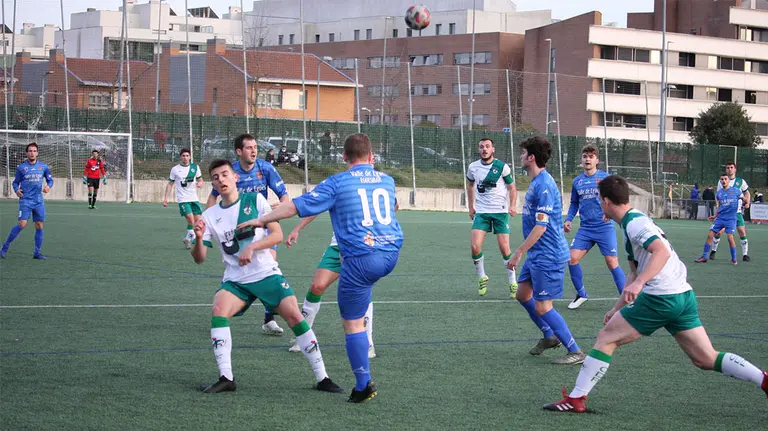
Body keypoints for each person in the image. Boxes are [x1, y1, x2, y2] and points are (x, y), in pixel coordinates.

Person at [543, 175, 768, 413]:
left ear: (606, 201)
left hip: (661, 297)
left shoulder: (635, 224)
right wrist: (616, 308)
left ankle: (576, 399)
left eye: (600, 200)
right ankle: (763, 379)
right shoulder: (632, 223)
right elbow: (633, 272)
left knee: (605, 338)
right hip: (682, 296)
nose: (599, 204)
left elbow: (661, 252)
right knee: (705, 358)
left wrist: (640, 283)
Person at [236, 133, 403, 403]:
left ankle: (363, 384)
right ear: (371, 157)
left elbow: (294, 207)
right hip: (391, 252)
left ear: (344, 157)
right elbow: (392, 205)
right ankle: (365, 342)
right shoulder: (387, 179)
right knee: (355, 291)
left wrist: (261, 220)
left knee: (351, 323)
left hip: (361, 258)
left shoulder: (337, 182)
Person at [191, 159, 343, 394]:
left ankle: (323, 377)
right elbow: (199, 258)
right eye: (216, 177)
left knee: (294, 316)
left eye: (224, 175)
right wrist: (200, 238)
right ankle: (226, 377)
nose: (221, 180)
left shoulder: (255, 200)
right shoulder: (209, 215)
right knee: (219, 309)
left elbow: (277, 235)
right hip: (236, 280)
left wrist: (252, 247)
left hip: (265, 273)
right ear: (212, 183)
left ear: (235, 178)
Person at [508, 136, 584, 365]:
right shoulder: (536, 181)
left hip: (548, 254)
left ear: (531, 157)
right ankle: (549, 336)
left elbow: (541, 227)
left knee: (543, 306)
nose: (520, 157)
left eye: (523, 154)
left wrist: (518, 252)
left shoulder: (544, 185)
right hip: (538, 253)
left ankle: (576, 351)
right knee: (522, 295)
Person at [206, 133, 291, 336]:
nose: (253, 151)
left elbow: (284, 196)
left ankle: (268, 319)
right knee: (237, 268)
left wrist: (278, 209)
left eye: (255, 147)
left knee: (268, 264)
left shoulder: (266, 168)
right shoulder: (229, 172)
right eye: (249, 147)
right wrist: (207, 223)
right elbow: (212, 199)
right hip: (235, 231)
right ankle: (225, 304)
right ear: (239, 151)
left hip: (262, 227)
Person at [563, 144, 625, 310]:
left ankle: (627, 299)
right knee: (571, 258)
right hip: (585, 229)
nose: (587, 159)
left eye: (591, 156)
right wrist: (568, 219)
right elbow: (574, 202)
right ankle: (581, 294)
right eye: (585, 156)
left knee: (612, 262)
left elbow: (615, 198)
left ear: (597, 160)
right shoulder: (577, 181)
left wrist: (610, 213)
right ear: (581, 160)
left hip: (604, 227)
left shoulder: (605, 179)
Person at [466, 138, 518, 297]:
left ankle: (512, 282)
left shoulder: (502, 167)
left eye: (487, 146)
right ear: (478, 149)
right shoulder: (473, 167)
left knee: (504, 249)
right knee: (475, 247)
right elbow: (470, 185)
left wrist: (513, 205)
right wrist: (470, 206)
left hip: (500, 213)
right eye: (481, 147)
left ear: (493, 149)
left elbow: (512, 188)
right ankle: (482, 277)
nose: (484, 149)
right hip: (482, 212)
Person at [1, 143, 53, 260]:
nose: (32, 153)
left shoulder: (43, 167)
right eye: (30, 151)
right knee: (22, 224)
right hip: (25, 200)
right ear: (26, 153)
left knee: (39, 225)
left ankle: (37, 252)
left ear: (37, 153)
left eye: (34, 151)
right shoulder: (21, 168)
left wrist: (48, 187)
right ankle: (5, 246)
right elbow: (15, 182)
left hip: (38, 201)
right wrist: (16, 190)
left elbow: (50, 180)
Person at [695, 173, 742, 265]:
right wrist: (715, 216)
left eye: (725, 179)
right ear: (720, 181)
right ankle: (704, 256)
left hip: (731, 219)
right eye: (722, 179)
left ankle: (734, 259)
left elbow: (744, 198)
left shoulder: (735, 190)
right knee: (710, 235)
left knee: (730, 237)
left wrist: (747, 202)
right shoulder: (719, 193)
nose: (723, 181)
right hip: (720, 218)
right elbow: (720, 207)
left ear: (728, 181)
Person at [163, 148, 204, 249]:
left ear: (190, 157)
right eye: (183, 156)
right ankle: (192, 238)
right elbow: (170, 184)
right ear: (180, 157)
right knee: (191, 220)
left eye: (187, 156)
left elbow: (201, 180)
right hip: (183, 199)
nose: (185, 158)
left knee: (197, 222)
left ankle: (187, 239)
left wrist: (200, 183)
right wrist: (165, 198)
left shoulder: (195, 167)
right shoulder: (175, 169)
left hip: (194, 198)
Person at [710, 162, 750, 262]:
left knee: (741, 231)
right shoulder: (722, 181)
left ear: (735, 169)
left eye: (731, 167)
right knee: (718, 232)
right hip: (724, 213)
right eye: (728, 168)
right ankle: (713, 251)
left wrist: (747, 202)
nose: (729, 169)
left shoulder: (740, 181)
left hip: (737, 212)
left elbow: (747, 193)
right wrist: (718, 208)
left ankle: (745, 255)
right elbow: (718, 196)